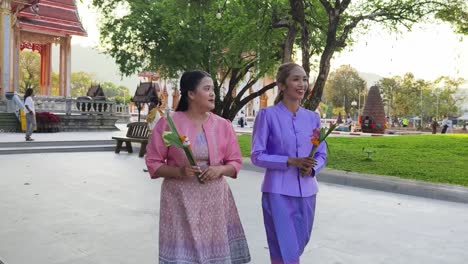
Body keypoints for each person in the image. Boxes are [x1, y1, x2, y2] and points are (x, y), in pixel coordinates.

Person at [145, 71, 251, 264]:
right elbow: (153, 162)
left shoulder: (223, 125)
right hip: (179, 200)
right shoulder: (168, 124)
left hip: (215, 200)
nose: (213, 94)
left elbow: (235, 162)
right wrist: (179, 172)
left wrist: (219, 170)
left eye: (213, 89)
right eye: (207, 89)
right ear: (191, 94)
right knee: (183, 253)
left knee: (213, 252)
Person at [251, 62, 327, 264]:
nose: (302, 84)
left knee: (299, 244)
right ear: (282, 85)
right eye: (296, 79)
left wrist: (313, 168)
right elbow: (257, 155)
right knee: (285, 250)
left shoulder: (313, 118)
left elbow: (322, 154)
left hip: (308, 192)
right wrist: (290, 161)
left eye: (304, 79)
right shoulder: (267, 116)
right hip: (277, 193)